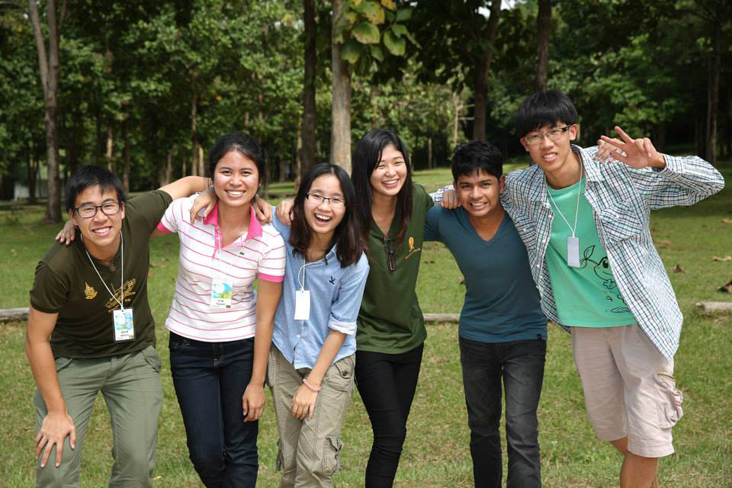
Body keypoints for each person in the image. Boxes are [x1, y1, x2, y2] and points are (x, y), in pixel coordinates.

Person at [502, 90, 724, 487]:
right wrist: (446, 195)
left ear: (573, 131)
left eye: (554, 131)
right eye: (535, 136)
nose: (547, 143)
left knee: (647, 437)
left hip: (640, 321)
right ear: (525, 144)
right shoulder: (523, 188)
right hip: (585, 326)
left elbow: (711, 182)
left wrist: (658, 161)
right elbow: (477, 191)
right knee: (611, 428)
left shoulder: (619, 169)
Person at [26, 166, 210, 487]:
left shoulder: (138, 217)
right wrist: (56, 411)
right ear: (73, 217)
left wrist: (211, 191)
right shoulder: (56, 267)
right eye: (87, 209)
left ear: (123, 208)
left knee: (136, 466)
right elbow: (36, 340)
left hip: (133, 357)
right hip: (74, 361)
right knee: (56, 469)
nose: (100, 217)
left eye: (108, 206)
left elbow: (192, 182)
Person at [153, 133, 284, 487]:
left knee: (241, 449)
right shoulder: (189, 212)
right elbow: (133, 220)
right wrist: (79, 220)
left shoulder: (269, 240)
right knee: (205, 453)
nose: (236, 181)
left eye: (246, 173)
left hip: (242, 348)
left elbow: (265, 317)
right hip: (188, 348)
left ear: (259, 179)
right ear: (212, 174)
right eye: (226, 172)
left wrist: (256, 382)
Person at [425, 141, 547, 488]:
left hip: (526, 336)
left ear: (501, 184)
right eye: (466, 185)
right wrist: (440, 196)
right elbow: (395, 213)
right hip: (476, 338)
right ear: (455, 186)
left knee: (521, 428)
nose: (476, 194)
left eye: (485, 184)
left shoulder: (524, 213)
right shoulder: (445, 219)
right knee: (481, 428)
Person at [268, 163, 369, 486]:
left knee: (315, 462)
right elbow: (247, 205)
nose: (325, 207)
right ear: (302, 199)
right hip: (285, 355)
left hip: (330, 363)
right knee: (290, 461)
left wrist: (312, 385)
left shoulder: (354, 262)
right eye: (316, 196)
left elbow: (341, 328)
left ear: (348, 208)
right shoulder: (281, 229)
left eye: (336, 199)